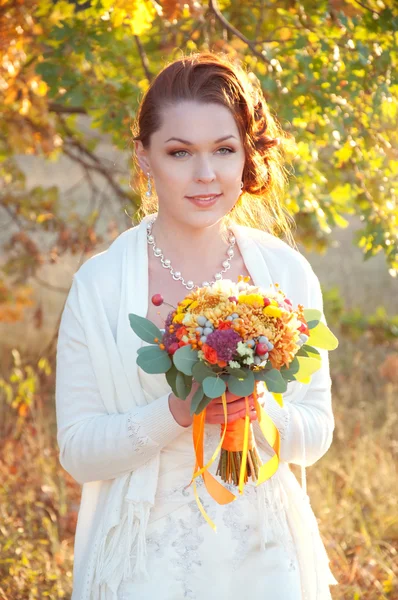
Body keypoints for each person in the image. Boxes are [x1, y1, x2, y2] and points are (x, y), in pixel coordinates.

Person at [55, 52, 337, 600]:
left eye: (224, 150)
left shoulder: (285, 275)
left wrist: (260, 410)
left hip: (265, 554)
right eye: (180, 152)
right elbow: (79, 451)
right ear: (144, 157)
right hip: (143, 558)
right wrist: (177, 412)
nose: (205, 174)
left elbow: (316, 436)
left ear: (246, 155)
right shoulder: (102, 286)